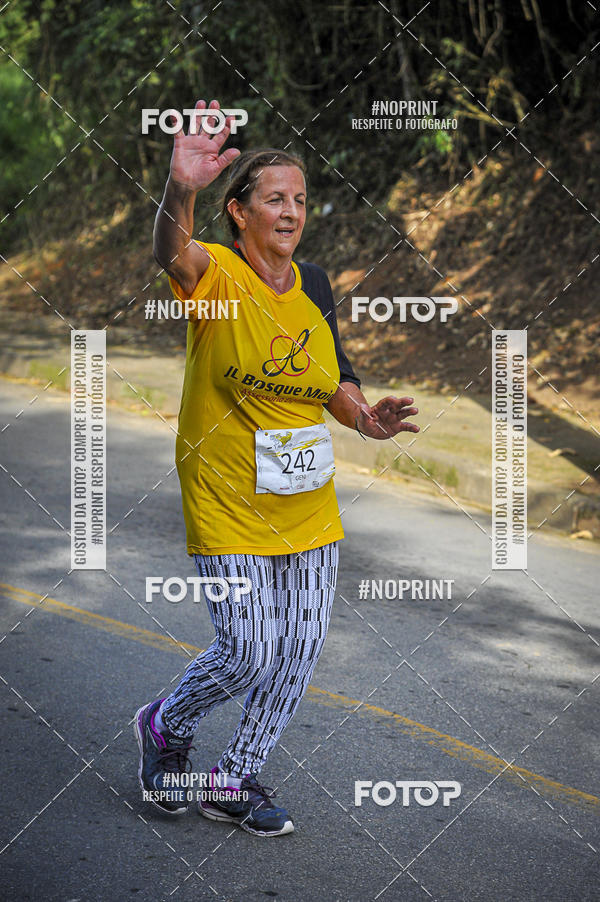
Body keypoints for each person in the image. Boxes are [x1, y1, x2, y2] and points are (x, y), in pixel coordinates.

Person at [135, 99, 419, 837]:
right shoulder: (216, 276)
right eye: (275, 199)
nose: (291, 211)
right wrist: (179, 187)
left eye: (299, 200)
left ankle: (232, 777)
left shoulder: (316, 285)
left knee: (295, 653)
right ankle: (167, 725)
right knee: (246, 650)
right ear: (238, 212)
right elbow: (171, 249)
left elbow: (334, 378)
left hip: (305, 500)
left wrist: (366, 419)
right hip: (225, 496)